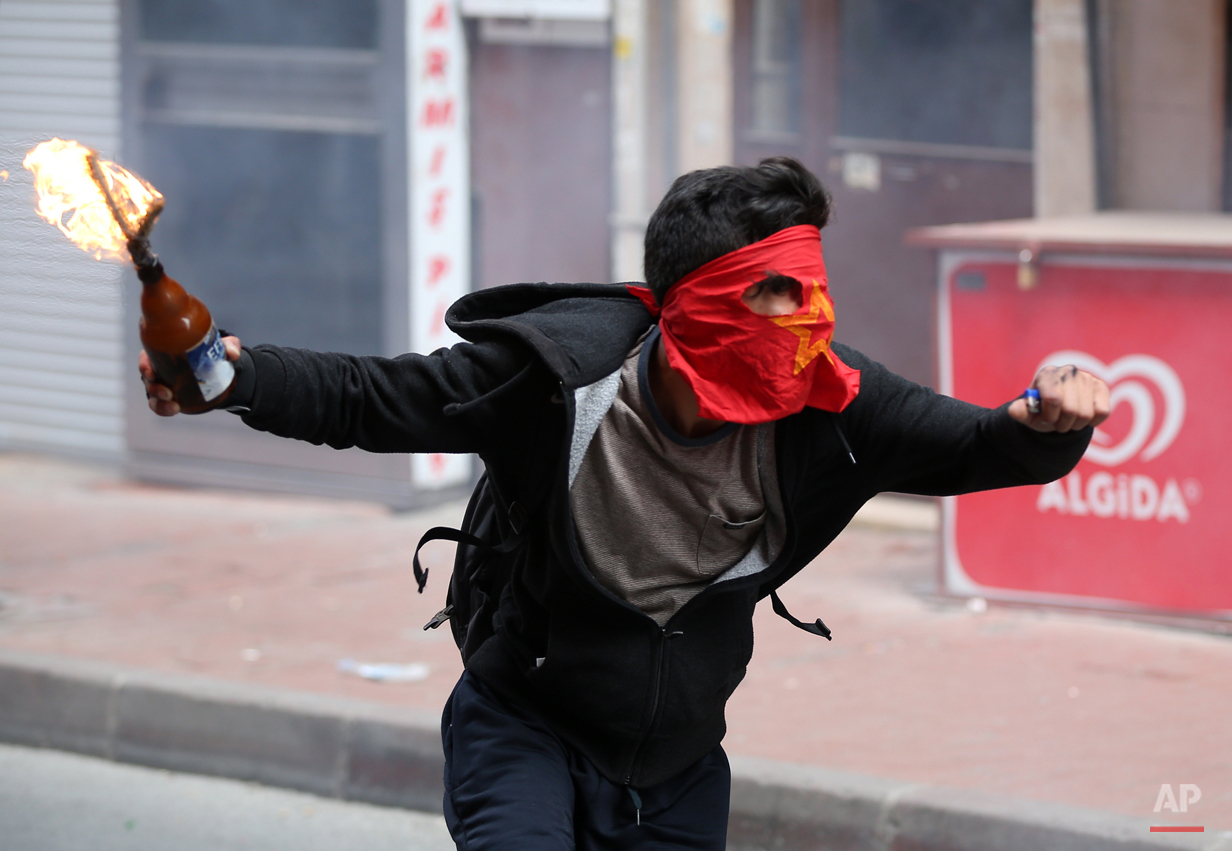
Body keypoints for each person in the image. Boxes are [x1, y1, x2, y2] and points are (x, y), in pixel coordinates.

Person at [141, 157, 1110, 850]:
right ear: (690, 303)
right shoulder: (559, 378)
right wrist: (228, 375)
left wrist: (1048, 413)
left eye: (813, 291)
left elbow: (985, 444)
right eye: (775, 295)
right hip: (524, 725)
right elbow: (374, 396)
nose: (808, 318)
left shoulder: (835, 401)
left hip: (681, 762)